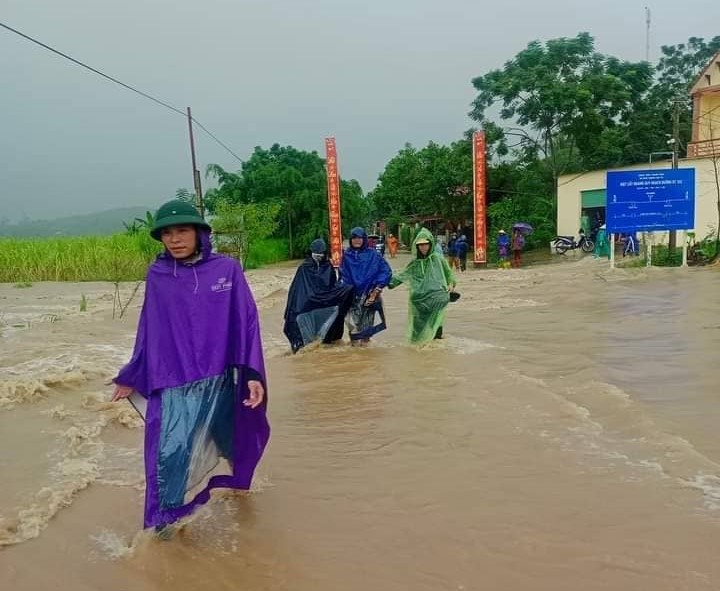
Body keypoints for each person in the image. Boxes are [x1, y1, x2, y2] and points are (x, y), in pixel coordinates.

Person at [111, 199, 269, 537]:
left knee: (234, 440)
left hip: (221, 378)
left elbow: (246, 321)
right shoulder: (158, 275)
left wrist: (253, 374)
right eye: (167, 233)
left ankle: (240, 490)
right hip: (175, 382)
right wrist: (131, 375)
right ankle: (164, 529)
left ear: (199, 232)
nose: (175, 239)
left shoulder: (226, 270)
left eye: (182, 230)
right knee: (170, 455)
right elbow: (148, 329)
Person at [283, 238, 354, 353]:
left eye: (321, 253)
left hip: (323, 304)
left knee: (347, 290)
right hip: (307, 305)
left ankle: (326, 339)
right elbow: (297, 291)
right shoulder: (304, 268)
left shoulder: (328, 267)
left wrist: (345, 290)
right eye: (316, 253)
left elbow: (332, 287)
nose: (319, 256)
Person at [389, 228, 456, 344]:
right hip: (418, 301)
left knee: (436, 329)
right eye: (420, 245)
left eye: (425, 244)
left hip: (435, 299)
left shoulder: (438, 259)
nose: (423, 247)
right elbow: (402, 276)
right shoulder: (414, 263)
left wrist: (451, 285)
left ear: (430, 244)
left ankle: (434, 356)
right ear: (417, 246)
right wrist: (386, 282)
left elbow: (449, 274)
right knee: (417, 334)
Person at [340, 227, 392, 344]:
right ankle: (355, 358)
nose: (357, 240)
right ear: (350, 240)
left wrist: (375, 291)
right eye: (354, 238)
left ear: (364, 239)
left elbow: (385, 272)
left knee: (366, 332)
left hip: (369, 296)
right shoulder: (346, 256)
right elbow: (342, 276)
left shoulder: (373, 255)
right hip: (351, 297)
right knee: (352, 330)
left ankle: (366, 357)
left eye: (359, 238)